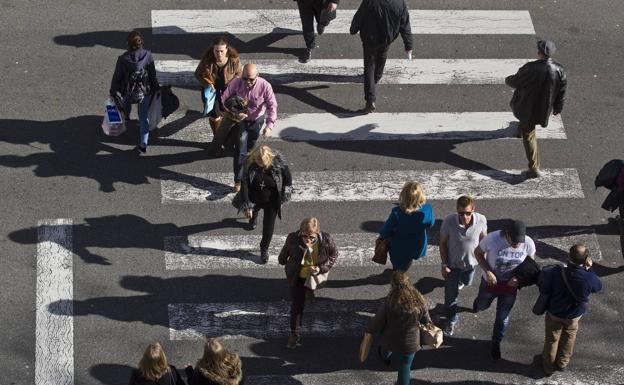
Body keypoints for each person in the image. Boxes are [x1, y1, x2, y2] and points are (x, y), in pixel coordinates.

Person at [473, 220, 536, 360]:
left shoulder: (528, 243)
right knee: (483, 305)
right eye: (514, 241)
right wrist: (488, 271)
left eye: (519, 241)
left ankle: (496, 342)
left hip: (510, 287)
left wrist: (519, 279)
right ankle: (478, 303)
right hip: (490, 283)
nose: (517, 244)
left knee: (502, 317)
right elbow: (477, 252)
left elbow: (530, 266)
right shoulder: (492, 239)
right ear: (507, 234)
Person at [505, 40, 567, 178]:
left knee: (529, 133)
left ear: (539, 53)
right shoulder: (560, 70)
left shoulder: (530, 67)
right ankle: (521, 128)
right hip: (544, 107)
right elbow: (561, 92)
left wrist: (507, 79)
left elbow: (515, 81)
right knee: (526, 124)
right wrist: (558, 107)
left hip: (527, 105)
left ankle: (534, 168)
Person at [537, 244, 602, 375]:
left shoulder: (556, 272)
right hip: (574, 314)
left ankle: (548, 365)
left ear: (569, 256)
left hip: (555, 311)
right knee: (569, 336)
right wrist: (590, 269)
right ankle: (562, 362)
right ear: (586, 259)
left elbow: (544, 287)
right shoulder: (587, 277)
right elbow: (598, 287)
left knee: (552, 338)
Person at [278, 217, 338, 349]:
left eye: (311, 237)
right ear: (300, 233)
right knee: (297, 306)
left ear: (318, 234)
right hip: (297, 277)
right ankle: (294, 334)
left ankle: (310, 291)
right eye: (305, 236)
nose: (308, 240)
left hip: (312, 275)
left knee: (309, 288)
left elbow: (334, 254)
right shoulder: (293, 239)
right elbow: (283, 256)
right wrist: (283, 260)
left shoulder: (326, 240)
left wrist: (320, 268)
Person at [218, 64, 278, 192]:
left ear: (258, 76)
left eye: (251, 79)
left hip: (257, 121)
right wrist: (235, 113)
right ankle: (238, 180)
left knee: (250, 148)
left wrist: (269, 126)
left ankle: (249, 168)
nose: (247, 82)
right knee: (240, 150)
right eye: (245, 79)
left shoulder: (265, 86)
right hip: (242, 122)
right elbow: (224, 99)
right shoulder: (236, 83)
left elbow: (272, 106)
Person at [366, 271, 432, 385]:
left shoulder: (390, 302)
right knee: (405, 366)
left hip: (390, 338)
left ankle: (385, 358)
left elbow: (378, 321)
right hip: (410, 342)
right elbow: (427, 322)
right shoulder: (420, 301)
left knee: (386, 349)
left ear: (393, 285)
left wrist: (369, 330)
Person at [349, 0, 412, 113]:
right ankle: (377, 77)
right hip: (387, 38)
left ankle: (370, 100)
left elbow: (360, 16)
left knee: (369, 66)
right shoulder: (399, 3)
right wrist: (408, 45)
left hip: (370, 38)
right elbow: (405, 24)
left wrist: (353, 29)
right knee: (382, 55)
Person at [234, 145, 292, 263]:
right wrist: (247, 205)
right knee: (253, 212)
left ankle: (264, 249)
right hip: (254, 197)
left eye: (263, 161)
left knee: (268, 228)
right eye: (257, 161)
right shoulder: (249, 163)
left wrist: (284, 197)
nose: (260, 164)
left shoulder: (279, 163)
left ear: (270, 157)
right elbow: (244, 183)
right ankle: (253, 218)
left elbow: (288, 180)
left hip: (272, 201)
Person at [439, 195, 488, 336]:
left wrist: (484, 259)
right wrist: (444, 264)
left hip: (471, 264)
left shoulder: (482, 220)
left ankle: (461, 280)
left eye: (468, 213)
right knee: (450, 297)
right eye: (461, 213)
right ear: (457, 211)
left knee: (467, 281)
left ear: (473, 209)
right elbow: (442, 243)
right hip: (452, 266)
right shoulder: (449, 221)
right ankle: (451, 319)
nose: (465, 217)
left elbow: (484, 239)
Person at [109, 30, 160, 154]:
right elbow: (152, 75)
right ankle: (143, 143)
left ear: (128, 44)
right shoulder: (148, 55)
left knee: (126, 103)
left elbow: (117, 77)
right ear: (141, 42)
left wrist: (113, 91)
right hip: (144, 91)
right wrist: (156, 88)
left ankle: (126, 117)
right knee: (143, 117)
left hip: (127, 91)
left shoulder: (123, 59)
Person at [379, 181, 434, 271]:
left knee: (399, 267)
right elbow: (431, 224)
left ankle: (399, 276)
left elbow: (386, 231)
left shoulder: (396, 212)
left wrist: (382, 237)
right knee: (409, 259)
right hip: (417, 245)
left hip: (399, 247)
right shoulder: (427, 210)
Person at [195, 36, 242, 132]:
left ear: (227, 49)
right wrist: (207, 83)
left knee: (228, 112)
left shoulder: (234, 59)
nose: (219, 54)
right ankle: (217, 137)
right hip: (212, 90)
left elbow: (239, 74)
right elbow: (198, 74)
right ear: (213, 49)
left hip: (228, 90)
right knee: (214, 116)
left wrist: (232, 84)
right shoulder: (207, 59)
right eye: (216, 51)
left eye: (222, 51)